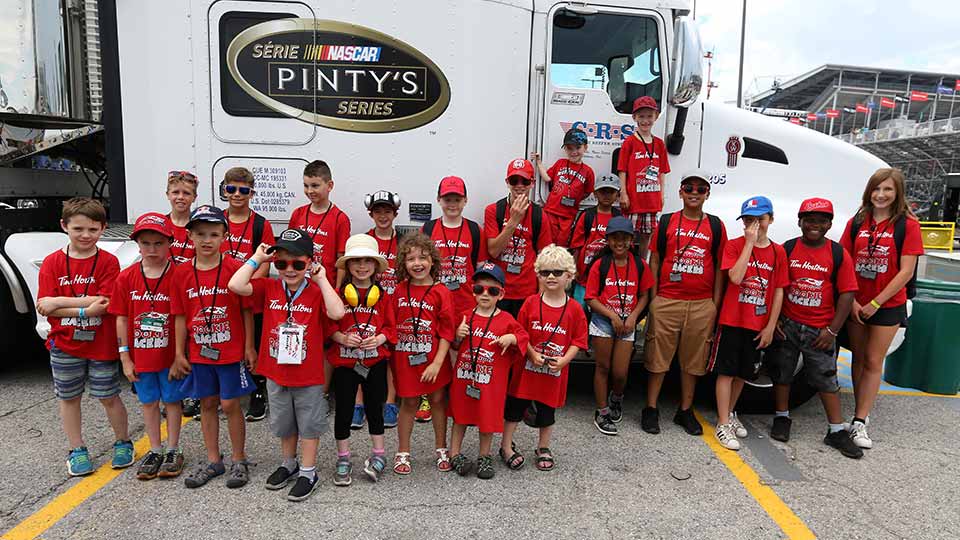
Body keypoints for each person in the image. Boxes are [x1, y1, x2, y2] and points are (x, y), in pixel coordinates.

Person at [228, 230, 345, 501]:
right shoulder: (269, 287)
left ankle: (308, 471)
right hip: (276, 371)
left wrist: (322, 279)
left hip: (308, 374)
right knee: (284, 422)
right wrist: (257, 259)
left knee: (309, 424)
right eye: (281, 263)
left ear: (310, 263)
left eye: (298, 264)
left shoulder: (316, 291)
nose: (289, 269)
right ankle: (289, 463)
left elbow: (337, 312)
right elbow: (235, 285)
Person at [36, 197, 129, 477]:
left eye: (92, 229)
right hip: (65, 344)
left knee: (109, 396)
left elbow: (106, 301)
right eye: (78, 229)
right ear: (64, 226)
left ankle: (123, 442)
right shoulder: (52, 263)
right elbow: (44, 306)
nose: (85, 235)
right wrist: (84, 310)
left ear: (103, 228)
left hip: (101, 344)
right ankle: (77, 449)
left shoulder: (109, 262)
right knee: (69, 397)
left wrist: (58, 301)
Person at [766, 198, 863, 459]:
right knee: (782, 372)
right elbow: (777, 286)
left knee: (826, 378)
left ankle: (836, 430)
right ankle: (782, 417)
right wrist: (776, 320)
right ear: (800, 222)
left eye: (821, 221)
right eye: (809, 220)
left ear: (829, 224)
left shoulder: (837, 253)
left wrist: (832, 330)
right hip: (788, 325)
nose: (814, 225)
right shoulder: (787, 249)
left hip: (819, 329)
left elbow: (847, 293)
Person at [170, 205, 256, 489]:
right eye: (201, 234)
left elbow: (246, 311)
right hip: (200, 351)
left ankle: (239, 459)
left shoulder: (234, 269)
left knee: (230, 404)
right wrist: (179, 353)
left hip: (230, 350)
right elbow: (179, 315)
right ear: (190, 236)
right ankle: (213, 460)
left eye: (214, 234)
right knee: (206, 403)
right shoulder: (182, 273)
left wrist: (249, 347)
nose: (207, 240)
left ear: (224, 236)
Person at [840, 168, 923, 449]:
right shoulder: (857, 222)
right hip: (857, 302)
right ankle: (858, 410)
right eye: (876, 189)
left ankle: (860, 421)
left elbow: (906, 271)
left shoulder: (908, 225)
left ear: (897, 193)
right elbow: (844, 261)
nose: (881, 195)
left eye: (887, 189)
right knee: (858, 358)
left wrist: (876, 303)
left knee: (874, 361)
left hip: (887, 304)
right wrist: (852, 300)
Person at [646, 170, 726, 436]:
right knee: (657, 359)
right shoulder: (667, 221)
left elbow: (719, 267)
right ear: (680, 192)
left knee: (693, 362)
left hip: (701, 304)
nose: (694, 193)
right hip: (667, 301)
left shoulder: (715, 225)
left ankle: (685, 410)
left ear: (707, 194)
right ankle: (651, 408)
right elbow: (655, 259)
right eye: (689, 188)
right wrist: (655, 299)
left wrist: (714, 304)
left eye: (700, 189)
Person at [110, 213, 186, 480]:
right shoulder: (126, 277)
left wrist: (180, 355)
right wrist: (125, 357)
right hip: (141, 356)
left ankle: (173, 449)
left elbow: (182, 317)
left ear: (169, 243)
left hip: (169, 356)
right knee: (148, 402)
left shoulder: (179, 275)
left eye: (158, 243)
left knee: (172, 401)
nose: (152, 249)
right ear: (137, 244)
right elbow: (121, 318)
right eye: (146, 243)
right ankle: (155, 449)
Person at [710, 196, 788, 451]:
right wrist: (749, 244)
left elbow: (779, 290)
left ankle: (731, 412)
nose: (754, 225)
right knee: (726, 372)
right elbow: (735, 277)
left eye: (760, 219)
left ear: (771, 220)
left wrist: (770, 326)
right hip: (733, 319)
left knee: (744, 373)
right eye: (748, 220)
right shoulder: (734, 246)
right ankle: (722, 422)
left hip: (757, 322)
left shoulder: (778, 252)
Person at [502, 246, 587, 470]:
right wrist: (531, 352)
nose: (551, 277)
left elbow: (578, 341)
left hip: (553, 373)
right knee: (514, 409)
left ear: (569, 275)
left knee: (547, 411)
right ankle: (506, 446)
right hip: (526, 371)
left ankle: (543, 446)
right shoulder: (530, 303)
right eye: (545, 272)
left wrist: (565, 360)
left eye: (557, 272)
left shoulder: (575, 309)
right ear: (538, 274)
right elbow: (520, 333)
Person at [448, 262, 528, 479]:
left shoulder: (507, 320)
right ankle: (454, 452)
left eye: (492, 290)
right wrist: (457, 335)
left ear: (501, 294)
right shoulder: (465, 316)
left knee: (487, 418)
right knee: (460, 416)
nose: (485, 294)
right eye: (479, 289)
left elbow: (523, 338)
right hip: (465, 379)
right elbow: (452, 345)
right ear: (473, 291)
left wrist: (512, 337)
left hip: (491, 383)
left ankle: (484, 455)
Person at [329, 234, 395, 486]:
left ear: (376, 266)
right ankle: (343, 457)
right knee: (344, 410)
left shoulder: (383, 296)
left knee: (375, 409)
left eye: (368, 261)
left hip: (374, 363)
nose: (362, 266)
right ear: (347, 265)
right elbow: (328, 326)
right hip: (345, 364)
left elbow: (391, 328)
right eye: (356, 261)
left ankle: (379, 454)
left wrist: (379, 339)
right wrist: (342, 338)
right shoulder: (338, 295)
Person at [421, 176, 487, 424]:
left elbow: (480, 269)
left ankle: (460, 398)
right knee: (433, 348)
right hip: (436, 302)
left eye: (457, 199)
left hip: (466, 303)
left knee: (463, 353)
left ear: (465, 200)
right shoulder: (429, 229)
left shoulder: (474, 230)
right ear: (439, 200)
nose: (452, 204)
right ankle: (427, 396)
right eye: (447, 199)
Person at [390, 233, 456, 475]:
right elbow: (391, 324)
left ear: (432, 261)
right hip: (405, 358)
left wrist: (437, 363)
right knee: (409, 402)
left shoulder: (441, 292)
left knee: (437, 400)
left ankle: (441, 447)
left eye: (423, 258)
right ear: (403, 263)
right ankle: (403, 451)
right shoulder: (399, 290)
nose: (417, 263)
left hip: (434, 359)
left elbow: (447, 331)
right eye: (411, 259)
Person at [585, 217, 653, 436]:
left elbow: (644, 295)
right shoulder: (600, 264)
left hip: (628, 323)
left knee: (620, 373)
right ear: (608, 240)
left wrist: (633, 316)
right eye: (615, 238)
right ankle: (602, 411)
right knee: (603, 367)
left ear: (632, 240)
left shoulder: (639, 265)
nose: (620, 242)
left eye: (624, 238)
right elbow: (590, 298)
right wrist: (612, 316)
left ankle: (616, 398)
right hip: (604, 321)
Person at [217, 166, 276, 423]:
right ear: (224, 190)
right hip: (221, 294)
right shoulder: (216, 220)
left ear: (252, 193)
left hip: (250, 293)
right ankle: (215, 390)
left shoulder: (261, 224)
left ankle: (257, 390)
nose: (237, 194)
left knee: (255, 343)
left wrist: (246, 285)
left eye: (243, 190)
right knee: (223, 339)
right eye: (231, 189)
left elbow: (265, 264)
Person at [484, 159, 553, 316]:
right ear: (507, 182)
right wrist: (513, 221)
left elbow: (545, 259)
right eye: (514, 181)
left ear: (532, 183)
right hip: (498, 290)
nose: (519, 186)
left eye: (525, 181)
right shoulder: (493, 210)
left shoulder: (539, 215)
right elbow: (493, 251)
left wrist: (541, 296)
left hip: (527, 292)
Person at [359, 191, 402, 431]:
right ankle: (359, 403)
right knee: (361, 352)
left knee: (392, 355)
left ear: (395, 213)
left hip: (396, 306)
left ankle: (390, 402)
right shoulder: (364, 240)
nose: (383, 216)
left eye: (387, 211)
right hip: (368, 306)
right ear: (371, 214)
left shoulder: (403, 241)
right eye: (378, 211)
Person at [165, 170, 202, 419]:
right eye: (176, 192)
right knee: (169, 342)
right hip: (163, 295)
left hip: (192, 295)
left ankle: (194, 393)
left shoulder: (198, 226)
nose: (181, 197)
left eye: (186, 193)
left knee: (192, 343)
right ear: (167, 194)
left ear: (194, 197)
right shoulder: (161, 224)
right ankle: (173, 391)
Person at [617, 96, 671, 258]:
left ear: (656, 116)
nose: (645, 120)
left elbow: (662, 172)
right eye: (641, 116)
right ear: (634, 117)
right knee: (628, 235)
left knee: (647, 236)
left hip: (651, 200)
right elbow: (622, 170)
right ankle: (627, 262)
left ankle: (641, 262)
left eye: (649, 116)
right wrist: (623, 193)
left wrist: (661, 195)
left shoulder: (659, 144)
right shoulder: (629, 142)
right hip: (634, 200)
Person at [289, 160, 351, 288]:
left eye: (315, 186)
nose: (309, 191)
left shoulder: (340, 219)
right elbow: (288, 251)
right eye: (306, 186)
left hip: (325, 287)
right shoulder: (298, 214)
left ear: (330, 186)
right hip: (298, 287)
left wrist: (337, 289)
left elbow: (342, 262)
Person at [532, 128, 595, 247]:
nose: (574, 152)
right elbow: (547, 178)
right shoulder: (560, 163)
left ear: (585, 147)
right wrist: (539, 163)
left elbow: (588, 191)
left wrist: (576, 198)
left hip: (569, 215)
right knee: (547, 243)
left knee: (562, 244)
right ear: (565, 149)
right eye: (570, 148)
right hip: (551, 210)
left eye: (578, 147)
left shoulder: (588, 171)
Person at [569, 175, 623, 308]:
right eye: (603, 191)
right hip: (584, 277)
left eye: (611, 192)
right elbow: (576, 246)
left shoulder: (619, 217)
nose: (606, 195)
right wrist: (574, 269)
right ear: (595, 193)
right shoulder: (587, 215)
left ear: (617, 194)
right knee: (579, 309)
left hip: (608, 277)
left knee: (602, 311)